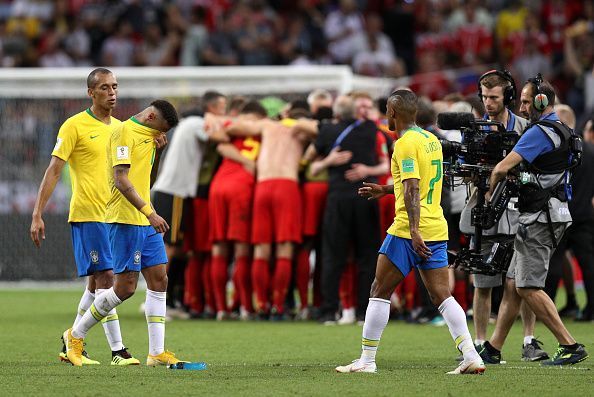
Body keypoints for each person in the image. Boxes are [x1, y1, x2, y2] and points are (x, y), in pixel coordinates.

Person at [335, 89, 484, 374]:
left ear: (393, 113)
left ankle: (367, 360)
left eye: (387, 112)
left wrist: (413, 230)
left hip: (408, 229)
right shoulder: (431, 140)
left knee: (379, 290)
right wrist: (386, 189)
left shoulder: (404, 144)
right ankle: (471, 355)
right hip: (436, 225)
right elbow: (418, 182)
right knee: (442, 295)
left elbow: (414, 185)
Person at [30, 68, 140, 366]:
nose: (112, 92)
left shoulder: (121, 129)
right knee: (107, 278)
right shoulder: (74, 126)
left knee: (95, 285)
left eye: (115, 86)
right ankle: (118, 351)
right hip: (88, 212)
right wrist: (38, 212)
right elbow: (54, 169)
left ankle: (72, 341)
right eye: (105, 87)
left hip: (116, 215)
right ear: (91, 92)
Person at [63, 100, 185, 367]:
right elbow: (120, 179)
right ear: (151, 116)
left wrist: (159, 153)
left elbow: (147, 182)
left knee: (159, 279)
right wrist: (149, 212)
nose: (160, 135)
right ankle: (75, 335)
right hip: (125, 219)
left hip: (145, 217)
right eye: (160, 130)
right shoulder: (123, 133)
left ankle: (156, 352)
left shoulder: (151, 138)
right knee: (124, 288)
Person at [479, 75, 588, 365]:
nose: (523, 108)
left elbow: (502, 168)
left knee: (527, 286)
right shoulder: (563, 128)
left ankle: (570, 345)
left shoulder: (538, 131)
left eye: (527, 102)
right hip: (552, 212)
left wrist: (488, 195)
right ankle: (493, 348)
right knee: (515, 283)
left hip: (540, 217)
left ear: (541, 101)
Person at [459, 70, 547, 361]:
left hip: (520, 210)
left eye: (494, 97)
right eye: (484, 97)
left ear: (507, 97)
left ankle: (529, 341)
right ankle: (479, 343)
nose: (488, 103)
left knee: (523, 282)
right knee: (483, 282)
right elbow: (463, 166)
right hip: (484, 211)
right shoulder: (474, 130)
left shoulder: (526, 128)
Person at [224, 101, 318, 319]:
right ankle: (277, 306)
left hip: (263, 186)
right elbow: (320, 131)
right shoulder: (299, 128)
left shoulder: (267, 125)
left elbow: (232, 128)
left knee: (261, 249)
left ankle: (261, 305)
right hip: (287, 186)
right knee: (284, 248)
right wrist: (300, 122)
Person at [311, 95, 388, 325]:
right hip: (365, 197)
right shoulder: (372, 129)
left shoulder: (326, 131)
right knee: (367, 256)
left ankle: (329, 310)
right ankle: (364, 312)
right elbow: (386, 160)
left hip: (339, 199)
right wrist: (367, 170)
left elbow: (311, 166)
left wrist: (328, 161)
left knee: (333, 256)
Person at [151, 106, 229, 318]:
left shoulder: (187, 126)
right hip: (174, 192)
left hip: (174, 192)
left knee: (179, 249)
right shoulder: (195, 124)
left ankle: (169, 300)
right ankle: (156, 302)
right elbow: (222, 136)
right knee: (171, 248)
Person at [208, 101, 267, 320]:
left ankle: (222, 309)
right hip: (242, 188)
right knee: (242, 250)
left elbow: (221, 145)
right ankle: (245, 308)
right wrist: (248, 163)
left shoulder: (232, 128)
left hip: (218, 185)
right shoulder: (265, 130)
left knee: (219, 249)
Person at [545, 105, 594, 322]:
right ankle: (591, 308)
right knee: (588, 262)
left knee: (554, 262)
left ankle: (547, 309)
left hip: (561, 213)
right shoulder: (590, 149)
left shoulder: (559, 149)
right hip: (584, 214)